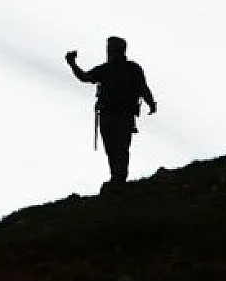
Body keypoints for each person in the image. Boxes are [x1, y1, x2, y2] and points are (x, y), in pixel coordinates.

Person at [66, 36, 157, 189]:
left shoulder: (129, 68)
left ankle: (119, 179)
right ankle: (117, 178)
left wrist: (151, 103)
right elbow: (85, 77)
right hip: (110, 115)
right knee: (113, 148)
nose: (110, 52)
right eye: (109, 49)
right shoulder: (117, 69)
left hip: (121, 115)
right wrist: (73, 64)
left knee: (119, 148)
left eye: (112, 49)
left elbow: (143, 88)